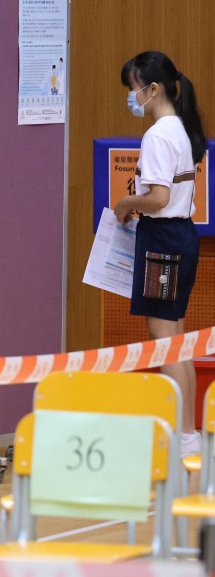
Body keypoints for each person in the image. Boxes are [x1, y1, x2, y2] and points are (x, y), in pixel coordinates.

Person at [113, 51, 206, 457]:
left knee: (164, 340)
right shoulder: (180, 130)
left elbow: (159, 197)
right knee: (177, 339)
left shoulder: (158, 135)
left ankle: (182, 437)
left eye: (133, 90)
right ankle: (189, 434)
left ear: (152, 89)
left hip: (164, 240)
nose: (131, 98)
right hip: (181, 237)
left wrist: (125, 204)